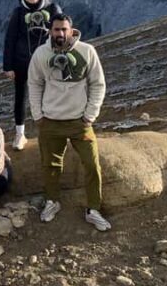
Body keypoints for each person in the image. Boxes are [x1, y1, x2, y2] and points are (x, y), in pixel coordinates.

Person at [27, 13, 110, 231]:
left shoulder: (87, 51)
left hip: (79, 122)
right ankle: (52, 201)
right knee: (50, 165)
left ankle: (93, 208)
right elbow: (34, 84)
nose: (61, 33)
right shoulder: (41, 54)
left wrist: (90, 115)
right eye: (56, 29)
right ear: (50, 31)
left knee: (92, 164)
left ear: (72, 30)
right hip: (50, 121)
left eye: (64, 29)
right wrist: (38, 115)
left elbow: (98, 84)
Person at [3, 0, 61, 151]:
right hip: (22, 62)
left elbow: (62, 32)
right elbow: (10, 39)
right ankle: (20, 134)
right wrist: (8, 66)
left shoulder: (52, 8)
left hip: (46, 63)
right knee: (20, 98)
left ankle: (50, 133)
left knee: (48, 97)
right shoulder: (18, 13)